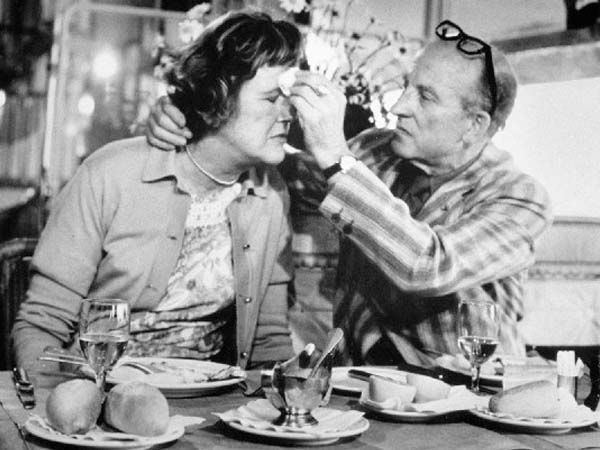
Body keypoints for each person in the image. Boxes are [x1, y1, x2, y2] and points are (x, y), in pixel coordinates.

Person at [145, 20, 552, 367]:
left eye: (425, 97)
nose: (399, 106)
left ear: (475, 125)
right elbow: (291, 172)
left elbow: (427, 266)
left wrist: (338, 157)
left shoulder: (520, 199)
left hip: (470, 395)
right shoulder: (378, 150)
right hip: (362, 389)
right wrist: (193, 120)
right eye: (408, 86)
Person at [12, 11, 304, 371]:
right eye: (272, 98)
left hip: (209, 408)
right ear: (216, 100)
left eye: (289, 98)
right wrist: (53, 406)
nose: (288, 113)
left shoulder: (271, 194)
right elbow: (42, 325)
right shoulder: (110, 174)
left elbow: (268, 341)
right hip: (95, 394)